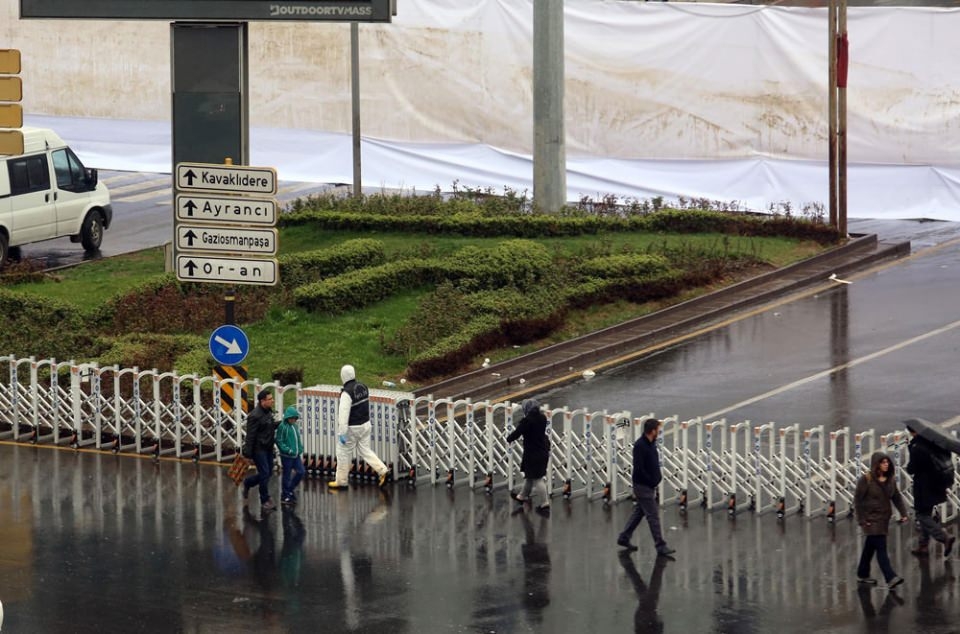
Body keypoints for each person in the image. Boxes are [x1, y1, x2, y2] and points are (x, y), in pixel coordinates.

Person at [617, 417, 675, 557]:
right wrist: (650, 481)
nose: (659, 432)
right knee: (653, 516)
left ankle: (624, 537)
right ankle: (660, 545)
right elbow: (639, 469)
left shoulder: (651, 443)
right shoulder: (640, 446)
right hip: (643, 486)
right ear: (652, 431)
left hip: (649, 486)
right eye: (658, 429)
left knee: (639, 513)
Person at [328, 364, 390, 490]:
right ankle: (382, 470)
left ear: (343, 376)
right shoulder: (363, 387)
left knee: (343, 452)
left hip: (352, 428)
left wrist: (342, 433)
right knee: (365, 451)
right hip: (366, 425)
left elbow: (343, 416)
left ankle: (341, 481)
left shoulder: (346, 393)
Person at [853, 451, 908, 588]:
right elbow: (858, 501)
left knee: (869, 547)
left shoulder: (890, 480)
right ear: (876, 465)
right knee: (881, 548)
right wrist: (861, 520)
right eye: (883, 463)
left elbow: (896, 497)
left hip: (884, 519)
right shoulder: (866, 480)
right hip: (870, 519)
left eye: (887, 462)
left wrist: (903, 512)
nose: (886, 465)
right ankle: (890, 577)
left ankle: (863, 573)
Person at [906, 423, 956, 557]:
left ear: (913, 433)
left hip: (924, 487)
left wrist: (911, 450)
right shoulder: (936, 444)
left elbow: (912, 469)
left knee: (922, 515)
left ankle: (944, 537)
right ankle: (923, 546)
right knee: (926, 514)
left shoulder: (918, 447)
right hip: (937, 485)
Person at [507, 398, 551, 516]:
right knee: (530, 476)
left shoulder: (527, 421)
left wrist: (509, 439)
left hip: (532, 453)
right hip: (542, 450)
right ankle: (521, 496)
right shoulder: (542, 418)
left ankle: (545, 504)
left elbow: (517, 433)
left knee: (537, 479)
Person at [243, 389, 278, 512]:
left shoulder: (268, 412)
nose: (272, 401)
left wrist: (279, 423)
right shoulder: (254, 416)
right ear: (262, 401)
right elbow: (250, 436)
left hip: (268, 447)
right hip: (259, 450)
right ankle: (265, 500)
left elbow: (269, 426)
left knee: (268, 473)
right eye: (270, 399)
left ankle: (248, 482)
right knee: (264, 473)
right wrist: (247, 455)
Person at [276, 405, 306, 506]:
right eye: (292, 418)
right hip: (287, 456)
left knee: (301, 472)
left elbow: (297, 439)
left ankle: (289, 489)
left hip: (295, 455)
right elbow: (279, 441)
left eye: (295, 418)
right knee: (287, 475)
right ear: (288, 418)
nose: (293, 420)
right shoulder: (282, 427)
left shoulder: (294, 426)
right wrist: (287, 450)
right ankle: (285, 494)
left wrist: (300, 448)